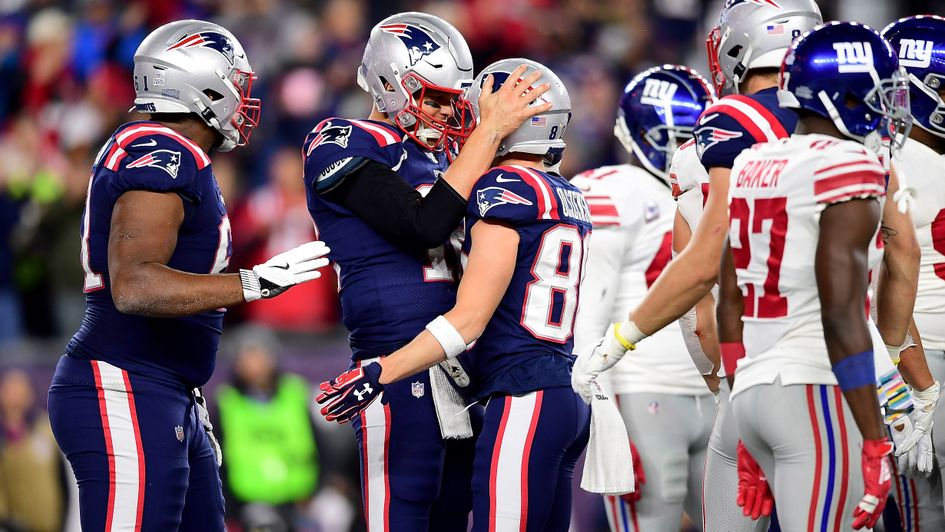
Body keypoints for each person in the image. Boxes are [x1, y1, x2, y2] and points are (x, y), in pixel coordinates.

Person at [47, 20, 331, 531]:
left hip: (163, 388)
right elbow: (135, 286)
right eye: (236, 84)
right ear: (201, 86)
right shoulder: (163, 152)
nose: (244, 98)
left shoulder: (177, 155)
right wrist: (253, 283)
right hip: (126, 384)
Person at [575, 2, 822, 530]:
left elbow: (700, 295)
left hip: (727, 378)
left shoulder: (705, 147)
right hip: (837, 367)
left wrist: (617, 347)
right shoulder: (846, 137)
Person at [302, 12, 552, 531]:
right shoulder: (342, 140)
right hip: (393, 362)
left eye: (453, 100)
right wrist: (489, 133)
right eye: (434, 99)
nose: (446, 113)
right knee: (401, 516)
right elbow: (424, 224)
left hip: (462, 364)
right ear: (390, 84)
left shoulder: (452, 154)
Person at [716, 21, 913, 530]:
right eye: (879, 92)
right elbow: (841, 312)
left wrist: (741, 399)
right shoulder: (849, 164)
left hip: (754, 390)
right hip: (814, 388)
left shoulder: (753, 161)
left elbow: (729, 302)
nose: (887, 106)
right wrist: (875, 439)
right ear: (844, 96)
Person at [571, 64, 717, 532]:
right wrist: (605, 417)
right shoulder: (619, 190)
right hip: (645, 394)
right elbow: (587, 318)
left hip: (716, 393)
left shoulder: (716, 193)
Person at [881, 14, 945, 530]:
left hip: (915, 357)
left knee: (920, 516)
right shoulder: (891, 162)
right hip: (921, 354)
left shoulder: (881, 160)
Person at [216, 338, 320, 531]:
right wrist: (231, 509)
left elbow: (320, 446)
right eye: (248, 359)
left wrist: (317, 491)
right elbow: (219, 460)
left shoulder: (295, 393)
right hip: (250, 501)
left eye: (260, 357)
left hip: (302, 497)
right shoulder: (227, 402)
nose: (256, 366)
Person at [0, 369, 68, 532]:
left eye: (21, 389)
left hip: (49, 526)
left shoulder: (46, 430)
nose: (16, 396)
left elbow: (62, 481)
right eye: (10, 389)